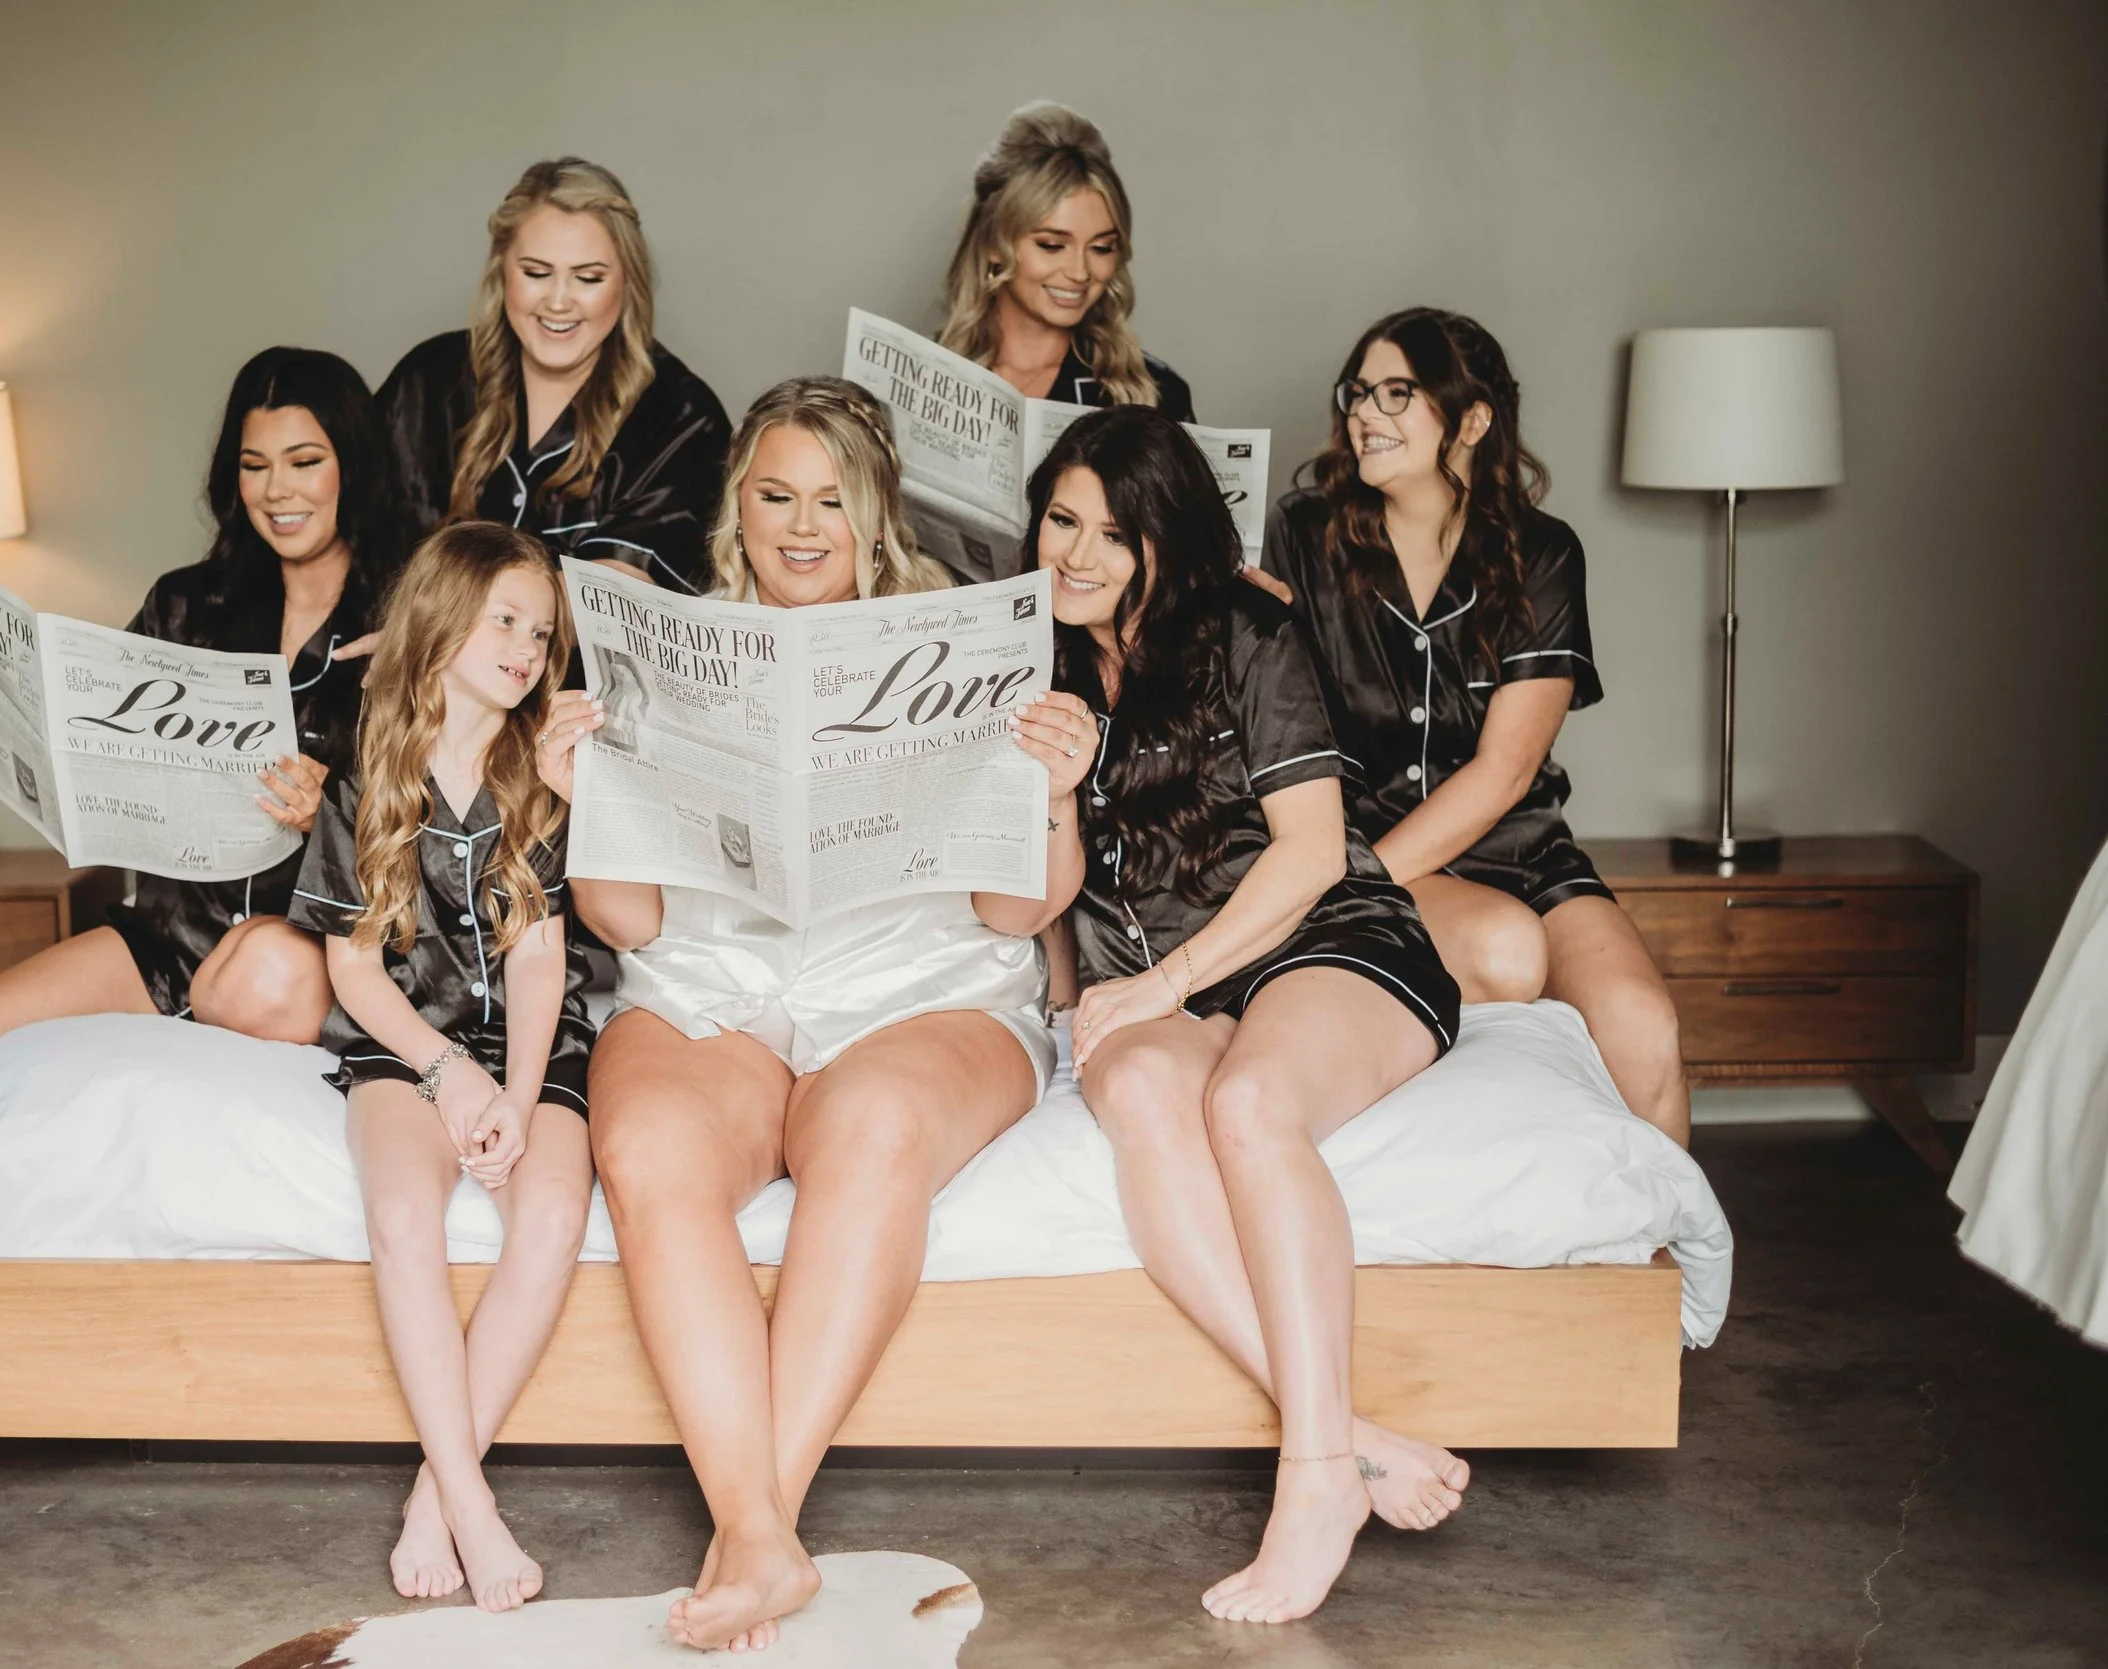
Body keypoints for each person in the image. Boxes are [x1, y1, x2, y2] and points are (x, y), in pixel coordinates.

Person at [534, 378, 1097, 1652]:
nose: (802, 527)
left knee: (873, 1129)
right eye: (777, 496)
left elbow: (1013, 917)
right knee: (646, 1152)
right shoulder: (668, 647)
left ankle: (752, 1526)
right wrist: (580, 790)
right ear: (739, 503)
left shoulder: (956, 645)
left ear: (875, 511)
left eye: (832, 503)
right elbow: (628, 923)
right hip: (716, 981)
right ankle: (763, 1536)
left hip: (924, 983)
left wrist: (1054, 793)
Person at [1043, 403, 1471, 1624]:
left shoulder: (1247, 625)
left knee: (1249, 1103)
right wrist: (1058, 794)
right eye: (1061, 519)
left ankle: (1310, 1477)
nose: (1076, 553)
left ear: (1166, 541)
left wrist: (1161, 988)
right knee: (1127, 1086)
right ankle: (1342, 1432)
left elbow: (1309, 855)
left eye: (1113, 534)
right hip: (1179, 972)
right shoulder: (1042, 657)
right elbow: (1049, 894)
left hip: (1324, 932)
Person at [0, 347, 403, 1134]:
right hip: (169, 934)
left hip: (309, 952)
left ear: (350, 468)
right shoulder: (187, 605)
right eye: (255, 465)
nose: (278, 490)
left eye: (305, 461)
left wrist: (329, 811)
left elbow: (452, 819)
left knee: (260, 975)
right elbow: (87, 752)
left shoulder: (406, 623)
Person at [1264, 307, 1690, 1145]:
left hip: (1518, 850)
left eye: (1398, 393)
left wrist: (1355, 885)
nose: (1364, 414)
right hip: (1365, 839)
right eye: (1359, 392)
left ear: (1472, 420)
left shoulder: (1544, 554)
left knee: (1648, 1031)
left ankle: (1665, 1271)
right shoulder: (1304, 533)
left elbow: (1504, 773)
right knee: (1505, 951)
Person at [287, 521, 597, 1610]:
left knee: (553, 1212)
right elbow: (355, 970)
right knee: (405, 1218)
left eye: (541, 631)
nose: (523, 646)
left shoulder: (541, 773)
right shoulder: (367, 770)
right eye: (503, 619)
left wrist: (510, 1096)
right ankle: (473, 1503)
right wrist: (444, 1079)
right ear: (441, 617)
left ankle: (432, 1488)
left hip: (525, 1046)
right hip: (401, 1045)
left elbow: (543, 955)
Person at [379, 157, 730, 593]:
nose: (559, 301)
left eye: (588, 278)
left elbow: (618, 590)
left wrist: (434, 629)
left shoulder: (682, 417)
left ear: (627, 283)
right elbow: (355, 535)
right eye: (536, 273)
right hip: (409, 662)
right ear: (501, 270)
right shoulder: (426, 381)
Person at [937, 102, 1195, 421]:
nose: (1079, 273)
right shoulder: (921, 376)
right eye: (1053, 245)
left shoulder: (1157, 393)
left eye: (1101, 248)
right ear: (992, 242)